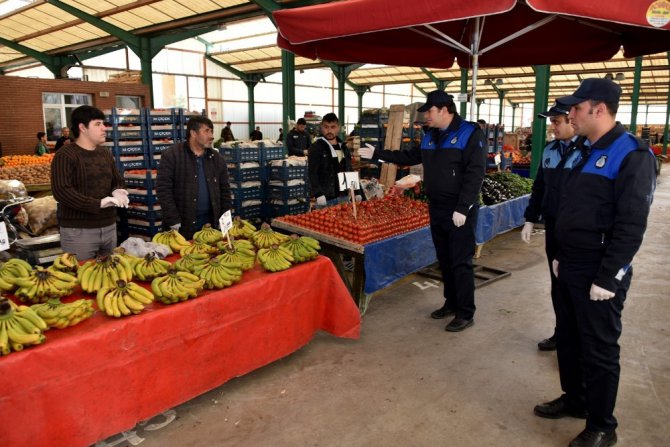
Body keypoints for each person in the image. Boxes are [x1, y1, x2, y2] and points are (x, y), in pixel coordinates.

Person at [533, 78, 656, 447]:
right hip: (569, 262)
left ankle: (603, 425)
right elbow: (570, 205)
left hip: (599, 269)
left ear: (598, 109)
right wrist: (560, 256)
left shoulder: (631, 153)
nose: (569, 114)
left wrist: (610, 275)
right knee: (569, 337)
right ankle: (576, 399)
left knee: (599, 347)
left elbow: (632, 223)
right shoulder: (581, 149)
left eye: (575, 108)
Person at [359, 90, 487, 332]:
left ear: (444, 110)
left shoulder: (470, 134)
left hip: (459, 210)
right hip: (437, 207)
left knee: (460, 261)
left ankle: (465, 312)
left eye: (429, 111)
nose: (425, 115)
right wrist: (378, 155)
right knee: (445, 259)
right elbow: (408, 156)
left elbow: (475, 173)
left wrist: (463, 207)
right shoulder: (430, 136)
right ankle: (451, 302)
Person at [521, 101, 581, 351]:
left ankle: (580, 339)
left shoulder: (588, 151)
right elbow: (540, 187)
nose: (552, 127)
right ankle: (562, 333)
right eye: (551, 122)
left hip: (579, 231)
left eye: (556, 122)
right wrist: (530, 218)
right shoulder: (550, 150)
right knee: (557, 283)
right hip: (554, 227)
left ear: (571, 119)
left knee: (577, 285)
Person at [51, 105, 128, 260]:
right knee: (82, 277)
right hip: (78, 231)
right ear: (82, 127)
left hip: (109, 226)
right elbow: (62, 191)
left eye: (103, 124)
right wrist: (97, 204)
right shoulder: (65, 155)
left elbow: (117, 179)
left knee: (110, 275)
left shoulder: (104, 153)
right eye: (98, 124)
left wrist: (118, 190)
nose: (104, 128)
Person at [156, 116, 232, 241]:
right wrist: (173, 219)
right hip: (182, 225)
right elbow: (163, 189)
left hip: (211, 224)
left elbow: (225, 191)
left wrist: (225, 220)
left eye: (212, 131)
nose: (211, 135)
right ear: (193, 133)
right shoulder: (172, 155)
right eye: (206, 131)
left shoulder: (217, 159)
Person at [308, 113, 360, 208]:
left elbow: (349, 170)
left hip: (343, 197)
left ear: (338, 128)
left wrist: (357, 191)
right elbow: (312, 172)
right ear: (321, 127)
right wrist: (318, 193)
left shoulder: (343, 147)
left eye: (333, 127)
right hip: (325, 199)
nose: (329, 130)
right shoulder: (316, 147)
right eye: (326, 127)